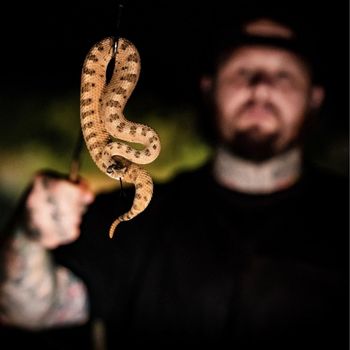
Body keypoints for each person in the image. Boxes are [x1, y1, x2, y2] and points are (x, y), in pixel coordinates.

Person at [0, 15, 348, 349]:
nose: (260, 86)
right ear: (208, 89)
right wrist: (30, 235)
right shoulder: (133, 217)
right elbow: (23, 310)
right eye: (243, 71)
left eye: (283, 75)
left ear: (315, 97)